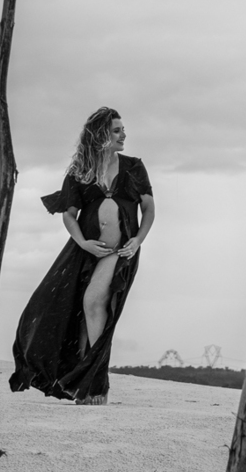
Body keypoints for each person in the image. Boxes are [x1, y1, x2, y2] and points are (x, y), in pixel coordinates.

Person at [10, 107, 154, 404]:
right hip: (85, 253)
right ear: (101, 135)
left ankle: (97, 385)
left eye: (123, 129)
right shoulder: (79, 172)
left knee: (93, 302)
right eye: (117, 130)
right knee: (74, 314)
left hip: (121, 251)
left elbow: (149, 209)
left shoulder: (134, 167)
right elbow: (69, 215)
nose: (123, 134)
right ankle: (83, 386)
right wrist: (84, 243)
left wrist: (137, 241)